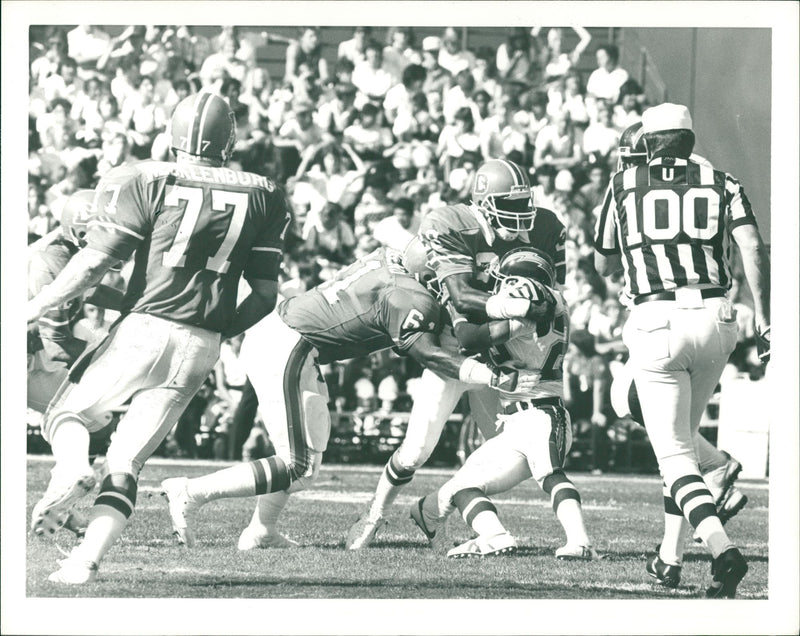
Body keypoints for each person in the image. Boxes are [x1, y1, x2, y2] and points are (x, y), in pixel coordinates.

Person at [26, 92, 291, 584]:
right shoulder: (265, 192)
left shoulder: (145, 177)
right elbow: (264, 296)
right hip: (201, 345)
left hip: (145, 327)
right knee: (126, 462)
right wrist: (216, 331)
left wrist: (34, 307)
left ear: (172, 134)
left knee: (65, 413)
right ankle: (84, 562)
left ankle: (69, 471)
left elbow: (93, 261)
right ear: (229, 140)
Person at [160, 247, 537, 550]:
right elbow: (428, 355)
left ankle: (262, 529)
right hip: (290, 345)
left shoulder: (390, 258)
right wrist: (492, 374)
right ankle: (191, 492)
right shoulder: (411, 298)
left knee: (309, 448)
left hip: (289, 338)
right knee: (299, 465)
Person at [593, 103, 770, 598]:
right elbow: (753, 248)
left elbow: (602, 263)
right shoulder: (723, 180)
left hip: (657, 319)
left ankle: (722, 550)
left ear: (648, 142)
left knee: (671, 452)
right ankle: (670, 557)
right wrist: (768, 319)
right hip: (719, 319)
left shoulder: (624, 184)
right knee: (680, 440)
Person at [346, 158, 566, 549]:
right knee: (415, 450)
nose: (520, 218)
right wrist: (516, 307)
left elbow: (550, 295)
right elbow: (464, 302)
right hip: (455, 351)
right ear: (482, 204)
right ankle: (374, 513)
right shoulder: (449, 224)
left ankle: (471, 525)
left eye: (523, 206)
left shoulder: (546, 226)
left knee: (501, 454)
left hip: (505, 355)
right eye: (507, 207)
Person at [411, 249, 598, 559]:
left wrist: (455, 307)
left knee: (550, 475)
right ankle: (494, 535)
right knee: (463, 485)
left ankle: (580, 542)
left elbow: (470, 340)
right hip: (514, 423)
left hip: (542, 412)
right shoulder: (545, 303)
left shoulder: (532, 300)